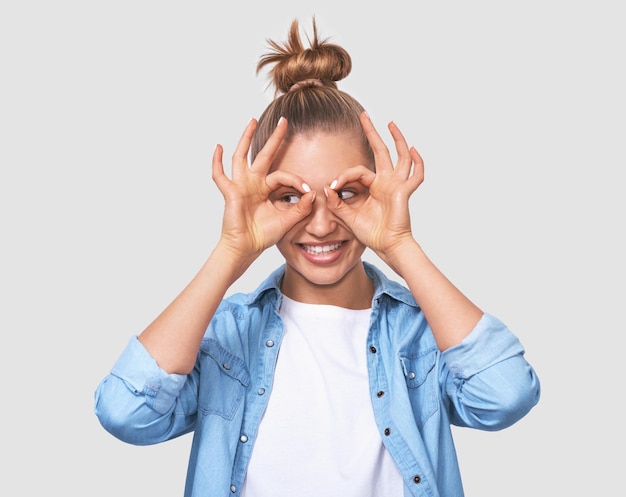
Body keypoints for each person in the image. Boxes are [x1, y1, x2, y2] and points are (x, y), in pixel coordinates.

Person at [94, 18, 540, 497]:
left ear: (377, 189)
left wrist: (400, 243)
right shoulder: (224, 339)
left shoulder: (421, 335)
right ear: (261, 199)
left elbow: (507, 395)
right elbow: (126, 412)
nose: (322, 224)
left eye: (347, 193)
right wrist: (231, 251)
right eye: (291, 197)